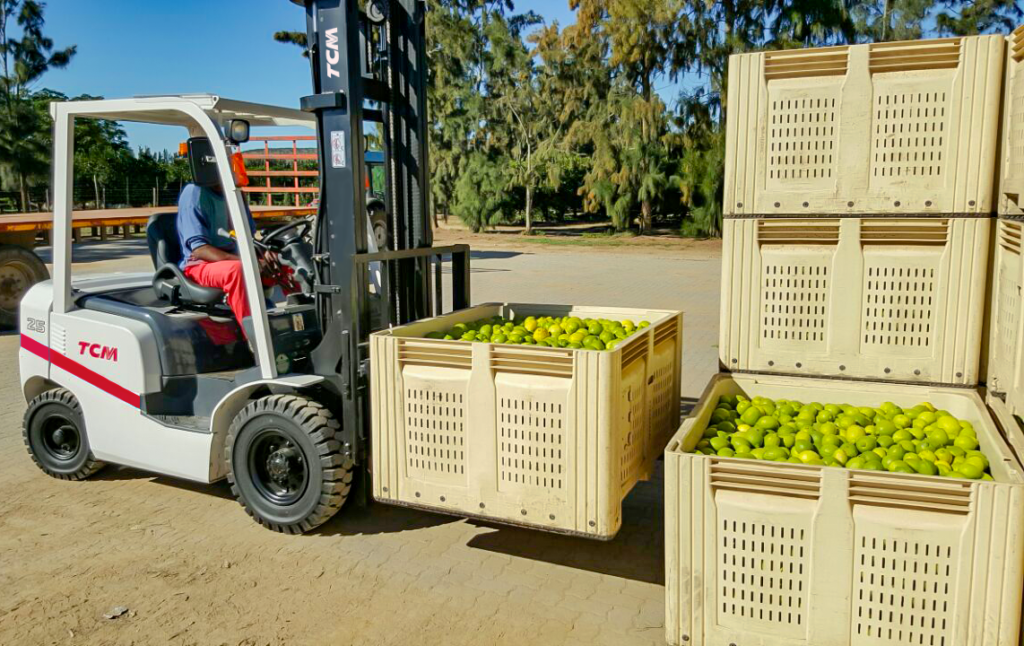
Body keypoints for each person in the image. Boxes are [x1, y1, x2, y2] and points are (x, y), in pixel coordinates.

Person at [175, 154, 278, 330]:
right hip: (200, 265)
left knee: (283, 261)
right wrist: (247, 261)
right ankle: (254, 336)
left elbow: (248, 237)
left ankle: (305, 325)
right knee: (237, 270)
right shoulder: (195, 193)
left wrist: (264, 253)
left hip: (233, 258)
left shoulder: (236, 195)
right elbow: (200, 249)